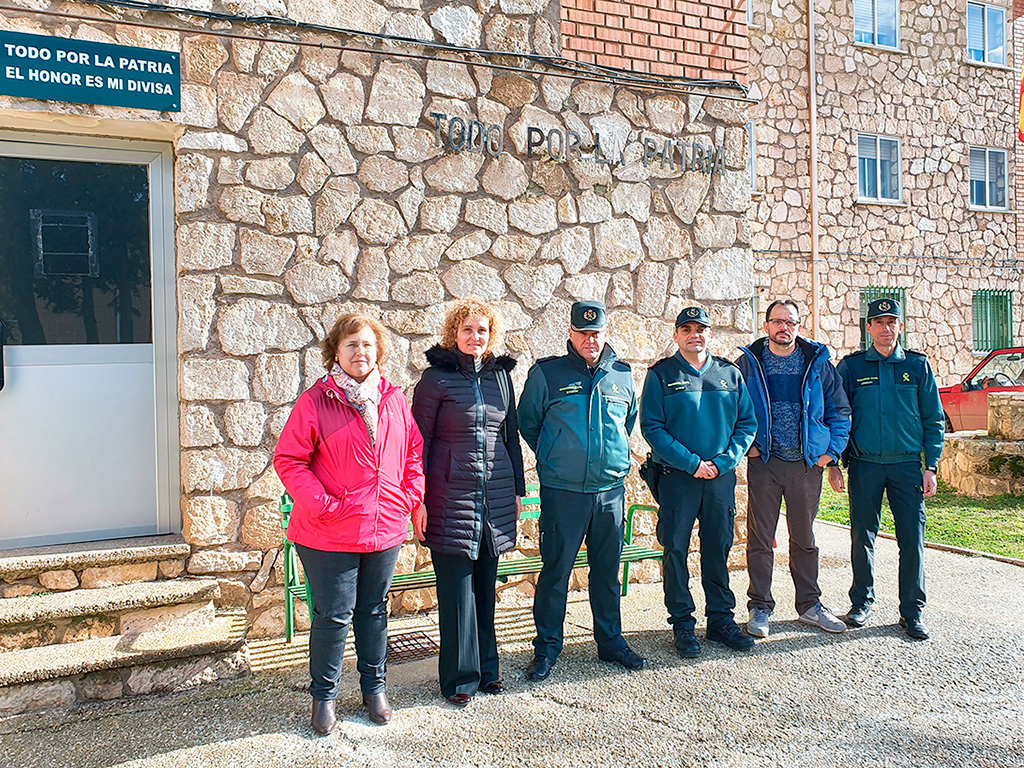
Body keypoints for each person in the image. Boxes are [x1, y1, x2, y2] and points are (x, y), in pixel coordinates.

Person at [274, 314, 425, 734]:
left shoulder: (393, 399)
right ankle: (324, 697)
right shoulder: (315, 401)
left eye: (367, 344)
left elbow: (413, 453)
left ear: (378, 351)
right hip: (328, 531)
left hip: (384, 527)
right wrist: (322, 504)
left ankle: (374, 690)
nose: (360, 352)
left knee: (374, 612)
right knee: (334, 616)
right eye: (351, 345)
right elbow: (289, 460)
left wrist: (408, 498)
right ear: (336, 353)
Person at [518, 300, 646, 680]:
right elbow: (529, 423)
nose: (590, 340)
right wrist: (556, 455)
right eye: (583, 333)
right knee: (556, 572)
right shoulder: (547, 373)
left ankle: (610, 642)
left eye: (597, 333)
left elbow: (627, 423)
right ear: (571, 334)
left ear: (606, 334)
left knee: (606, 572)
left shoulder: (622, 375)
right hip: (564, 493)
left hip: (610, 492)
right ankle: (547, 648)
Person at [411, 299, 525, 708]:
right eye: (467, 330)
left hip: (494, 499)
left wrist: (517, 492)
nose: (475, 337)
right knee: (457, 593)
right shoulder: (434, 380)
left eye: (482, 331)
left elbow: (510, 438)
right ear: (454, 333)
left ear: (490, 335)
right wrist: (418, 500)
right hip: (448, 499)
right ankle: (459, 677)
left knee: (484, 590)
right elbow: (418, 443)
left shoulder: (501, 379)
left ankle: (488, 670)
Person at [640, 306, 757, 657]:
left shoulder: (729, 374)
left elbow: (747, 424)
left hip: (719, 478)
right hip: (678, 478)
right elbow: (652, 428)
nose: (695, 335)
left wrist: (723, 462)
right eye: (687, 329)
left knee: (718, 547)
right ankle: (683, 624)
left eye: (701, 329)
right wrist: (692, 464)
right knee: (675, 549)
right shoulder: (661, 375)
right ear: (676, 335)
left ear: (710, 333)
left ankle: (721, 620)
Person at [736, 299, 851, 639]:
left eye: (790, 322)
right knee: (760, 538)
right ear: (766, 325)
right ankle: (760, 606)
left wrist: (830, 453)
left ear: (799, 326)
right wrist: (749, 446)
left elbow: (839, 411)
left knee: (804, 539)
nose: (783, 327)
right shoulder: (749, 363)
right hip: (765, 464)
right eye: (777, 321)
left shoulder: (817, 363)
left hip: (806, 465)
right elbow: (733, 407)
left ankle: (810, 605)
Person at [829, 299, 944, 640]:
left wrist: (931, 466)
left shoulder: (917, 366)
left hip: (907, 467)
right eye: (878, 322)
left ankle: (912, 611)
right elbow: (837, 416)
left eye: (891, 321)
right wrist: (834, 462)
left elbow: (933, 419)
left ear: (900, 326)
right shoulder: (851, 367)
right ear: (868, 327)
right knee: (862, 537)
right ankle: (861, 602)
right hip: (865, 465)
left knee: (912, 539)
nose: (885, 328)